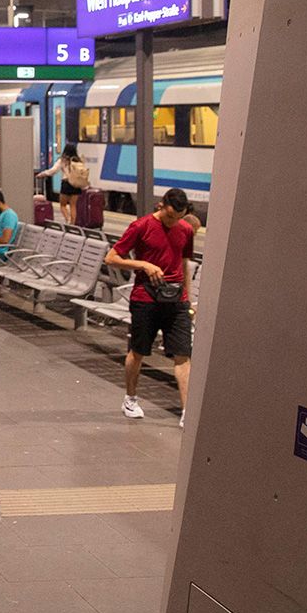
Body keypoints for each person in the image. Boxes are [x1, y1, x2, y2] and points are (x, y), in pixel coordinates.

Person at [106, 188, 198, 423]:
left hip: (176, 301)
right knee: (138, 352)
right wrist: (144, 265)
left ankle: (187, 412)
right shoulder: (141, 226)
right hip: (145, 299)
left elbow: (184, 263)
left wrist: (187, 297)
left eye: (178, 217)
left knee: (182, 355)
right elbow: (112, 257)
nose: (173, 222)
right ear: (160, 206)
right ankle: (130, 398)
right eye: (170, 217)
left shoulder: (186, 230)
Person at [37, 144, 91, 224]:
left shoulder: (63, 160)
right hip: (76, 185)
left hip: (66, 184)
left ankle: (67, 219)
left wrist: (42, 174)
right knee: (73, 205)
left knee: (63, 205)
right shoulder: (78, 161)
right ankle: (73, 223)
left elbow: (53, 171)